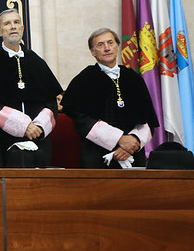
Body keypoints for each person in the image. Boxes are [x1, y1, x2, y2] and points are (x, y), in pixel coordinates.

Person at [0, 9, 62, 167]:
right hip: (0, 136)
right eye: (7, 23)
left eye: (16, 22)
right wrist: (22, 125)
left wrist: (37, 126)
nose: (13, 26)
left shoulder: (36, 61)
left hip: (36, 135)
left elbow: (51, 101)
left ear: (23, 28)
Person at [62, 28, 159, 168]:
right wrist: (119, 139)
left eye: (110, 43)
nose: (107, 48)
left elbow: (148, 119)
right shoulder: (83, 80)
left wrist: (131, 143)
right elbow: (82, 121)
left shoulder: (134, 78)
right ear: (92, 52)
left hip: (133, 154)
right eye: (100, 45)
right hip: (96, 156)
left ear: (118, 46)